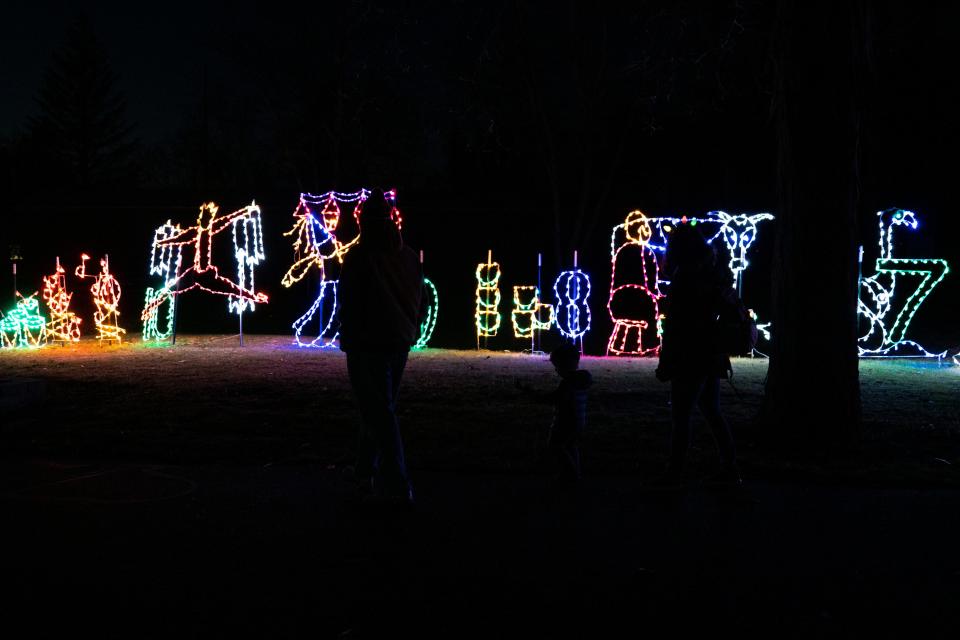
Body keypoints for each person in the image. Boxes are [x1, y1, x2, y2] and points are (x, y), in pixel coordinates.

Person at [338, 188, 424, 505]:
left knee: (377, 410)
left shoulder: (359, 257)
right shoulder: (409, 256)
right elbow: (418, 297)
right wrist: (408, 327)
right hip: (398, 341)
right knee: (379, 407)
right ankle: (365, 468)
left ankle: (398, 482)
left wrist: (349, 334)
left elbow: (350, 299)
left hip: (366, 342)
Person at [653, 223, 741, 486]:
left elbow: (677, 324)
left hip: (689, 353)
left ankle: (675, 474)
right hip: (710, 351)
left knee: (681, 415)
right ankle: (730, 468)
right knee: (711, 410)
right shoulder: (712, 272)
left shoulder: (685, 276)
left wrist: (666, 359)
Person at [546, 344, 593, 484]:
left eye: (558, 366)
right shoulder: (582, 380)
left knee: (556, 446)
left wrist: (537, 396)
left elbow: (559, 398)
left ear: (567, 364)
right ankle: (574, 473)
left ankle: (570, 474)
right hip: (579, 420)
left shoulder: (567, 383)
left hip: (566, 421)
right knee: (571, 446)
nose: (556, 370)